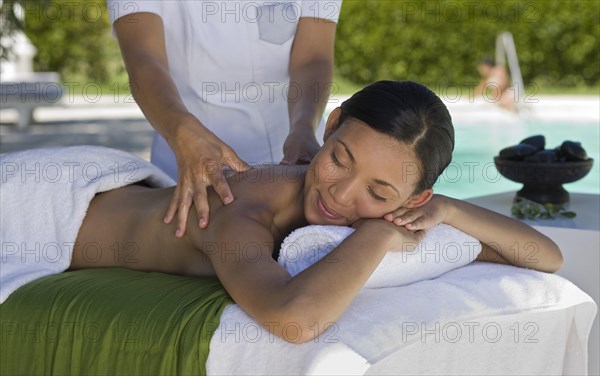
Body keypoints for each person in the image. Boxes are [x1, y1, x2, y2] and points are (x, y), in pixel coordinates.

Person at [1, 81, 562, 343]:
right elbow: (293, 320)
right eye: (339, 158)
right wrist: (379, 233)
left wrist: (444, 209)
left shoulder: (403, 205)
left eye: (378, 192)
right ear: (332, 123)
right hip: (38, 207)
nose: (342, 196)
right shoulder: (241, 210)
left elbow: (546, 256)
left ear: (412, 198)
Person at [106, 0, 341, 238]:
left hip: (292, 160)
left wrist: (303, 127)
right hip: (186, 163)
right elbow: (144, 58)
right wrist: (181, 130)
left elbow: (313, 59)